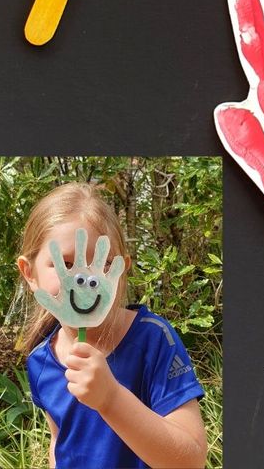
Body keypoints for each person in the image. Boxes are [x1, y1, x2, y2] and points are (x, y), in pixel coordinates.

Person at [17, 183, 208, 469]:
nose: (83, 279)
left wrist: (111, 398)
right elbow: (59, 440)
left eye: (104, 264)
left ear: (122, 269)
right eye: (65, 263)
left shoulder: (153, 339)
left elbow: (191, 460)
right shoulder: (40, 361)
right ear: (29, 273)